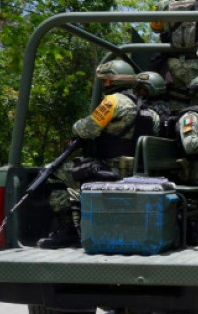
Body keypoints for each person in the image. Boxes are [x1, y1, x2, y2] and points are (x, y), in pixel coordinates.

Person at [38, 62, 162, 249]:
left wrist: (76, 126)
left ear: (113, 81)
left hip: (110, 171)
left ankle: (68, 232)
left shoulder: (113, 101)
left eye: (106, 80)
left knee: (51, 172)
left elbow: (86, 129)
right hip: (139, 174)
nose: (104, 84)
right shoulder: (151, 112)